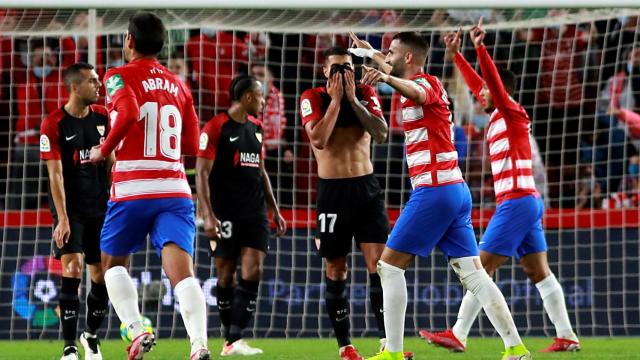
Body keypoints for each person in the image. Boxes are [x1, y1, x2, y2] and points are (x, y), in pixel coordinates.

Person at [349, 31, 530, 360]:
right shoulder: (409, 74)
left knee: (388, 267)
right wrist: (370, 52)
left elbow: (414, 90)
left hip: (435, 191)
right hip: (454, 191)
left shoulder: (427, 83)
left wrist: (386, 74)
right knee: (475, 274)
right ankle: (515, 348)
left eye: (391, 53)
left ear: (407, 59)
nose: (385, 57)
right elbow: (389, 65)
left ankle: (391, 352)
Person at [419, 22, 581, 354]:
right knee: (538, 272)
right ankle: (567, 335)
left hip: (517, 202)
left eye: (486, 92)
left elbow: (490, 82)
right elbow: (481, 83)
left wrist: (479, 48)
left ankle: (459, 333)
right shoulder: (498, 115)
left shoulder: (510, 111)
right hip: (525, 201)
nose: (480, 96)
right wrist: (455, 54)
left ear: (500, 92)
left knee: (480, 267)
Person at [88, 13, 210, 360]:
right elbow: (191, 141)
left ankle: (137, 329)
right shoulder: (179, 84)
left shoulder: (116, 76)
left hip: (133, 188)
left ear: (129, 41)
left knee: (112, 264)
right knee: (183, 274)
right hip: (174, 188)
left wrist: (104, 149)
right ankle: (199, 344)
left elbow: (127, 112)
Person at [299, 46, 397, 360]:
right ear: (324, 71)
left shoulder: (367, 93)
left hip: (366, 190)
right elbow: (318, 139)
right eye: (337, 68)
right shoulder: (312, 98)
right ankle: (346, 346)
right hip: (333, 193)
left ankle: (387, 342)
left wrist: (353, 100)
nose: (344, 73)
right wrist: (337, 101)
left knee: (379, 266)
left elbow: (381, 134)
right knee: (336, 268)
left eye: (348, 67)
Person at [196, 74, 286, 356]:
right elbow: (201, 173)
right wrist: (208, 215)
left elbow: (261, 172)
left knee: (254, 270)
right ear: (248, 97)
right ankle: (228, 339)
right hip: (224, 212)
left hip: (255, 212)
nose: (263, 102)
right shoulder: (215, 127)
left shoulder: (257, 128)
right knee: (225, 276)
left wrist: (274, 209)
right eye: (261, 97)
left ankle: (234, 338)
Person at [40, 62, 111, 360]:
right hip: (70, 209)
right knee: (72, 268)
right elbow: (54, 175)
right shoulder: (53, 123)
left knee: (102, 275)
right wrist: (64, 218)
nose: (99, 86)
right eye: (93, 81)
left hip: (101, 206)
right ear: (74, 87)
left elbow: (111, 162)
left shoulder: (104, 117)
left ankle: (90, 335)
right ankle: (69, 348)